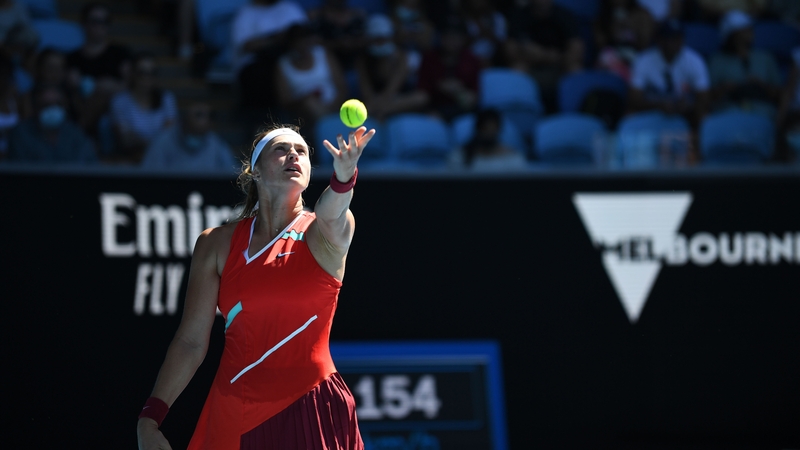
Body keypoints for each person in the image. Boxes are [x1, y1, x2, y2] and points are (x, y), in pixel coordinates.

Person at [136, 123, 375, 450]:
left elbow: (332, 211)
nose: (293, 155)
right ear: (255, 171)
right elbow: (191, 342)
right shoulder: (215, 243)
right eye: (281, 149)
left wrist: (343, 178)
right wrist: (150, 418)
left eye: (301, 151)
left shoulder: (324, 232)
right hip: (234, 412)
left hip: (311, 407)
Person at [629, 19, 710, 127]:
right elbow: (634, 99)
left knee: (703, 114)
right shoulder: (644, 60)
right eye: (671, 38)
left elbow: (704, 98)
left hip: (685, 113)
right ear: (660, 40)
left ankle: (696, 137)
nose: (676, 43)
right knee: (630, 114)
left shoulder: (695, 61)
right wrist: (658, 105)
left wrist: (689, 105)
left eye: (678, 38)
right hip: (652, 110)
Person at [708, 10, 781, 118]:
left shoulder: (765, 58)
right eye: (744, 29)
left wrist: (761, 85)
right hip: (728, 112)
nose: (750, 32)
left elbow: (780, 95)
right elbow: (705, 97)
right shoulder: (717, 60)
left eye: (749, 28)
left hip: (762, 111)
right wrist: (725, 88)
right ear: (733, 35)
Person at [355, 14, 428, 120]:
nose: (380, 43)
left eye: (383, 39)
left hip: (396, 99)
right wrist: (375, 103)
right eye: (377, 40)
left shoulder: (401, 58)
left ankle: (382, 112)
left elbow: (391, 91)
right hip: (373, 100)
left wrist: (383, 107)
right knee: (363, 105)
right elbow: (366, 92)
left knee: (420, 98)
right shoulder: (362, 60)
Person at [109, 53, 178, 163]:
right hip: (132, 157)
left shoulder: (167, 99)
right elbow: (125, 139)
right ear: (133, 74)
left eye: (152, 73)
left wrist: (145, 143)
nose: (147, 77)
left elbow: (170, 134)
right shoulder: (119, 101)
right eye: (142, 73)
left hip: (163, 157)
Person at [7, 84, 96, 163]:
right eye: (47, 105)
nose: (53, 110)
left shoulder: (75, 133)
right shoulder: (21, 134)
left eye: (57, 104)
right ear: (35, 108)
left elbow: (88, 164)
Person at [140, 101, 236, 172]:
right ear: (184, 120)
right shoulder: (162, 142)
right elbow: (150, 177)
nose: (205, 119)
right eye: (199, 114)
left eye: (210, 115)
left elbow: (230, 174)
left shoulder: (216, 143)